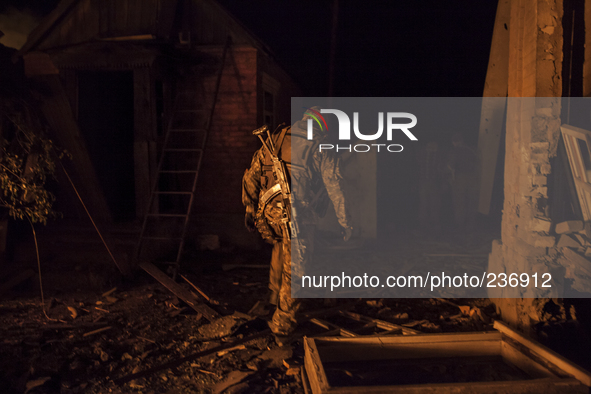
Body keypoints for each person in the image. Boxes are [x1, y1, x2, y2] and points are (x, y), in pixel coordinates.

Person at [242, 107, 352, 339]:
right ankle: (283, 323)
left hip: (267, 214)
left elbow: (251, 175)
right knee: (297, 271)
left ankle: (274, 298)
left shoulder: (276, 138)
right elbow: (336, 188)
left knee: (280, 246)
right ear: (321, 127)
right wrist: (345, 222)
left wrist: (250, 207)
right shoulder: (322, 146)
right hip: (297, 217)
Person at [446, 133, 479, 233]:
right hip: (473, 179)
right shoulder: (471, 150)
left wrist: (450, 179)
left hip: (460, 179)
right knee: (471, 203)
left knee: (460, 204)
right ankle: (471, 227)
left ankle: (460, 228)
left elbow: (450, 167)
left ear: (454, 142)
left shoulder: (454, 151)